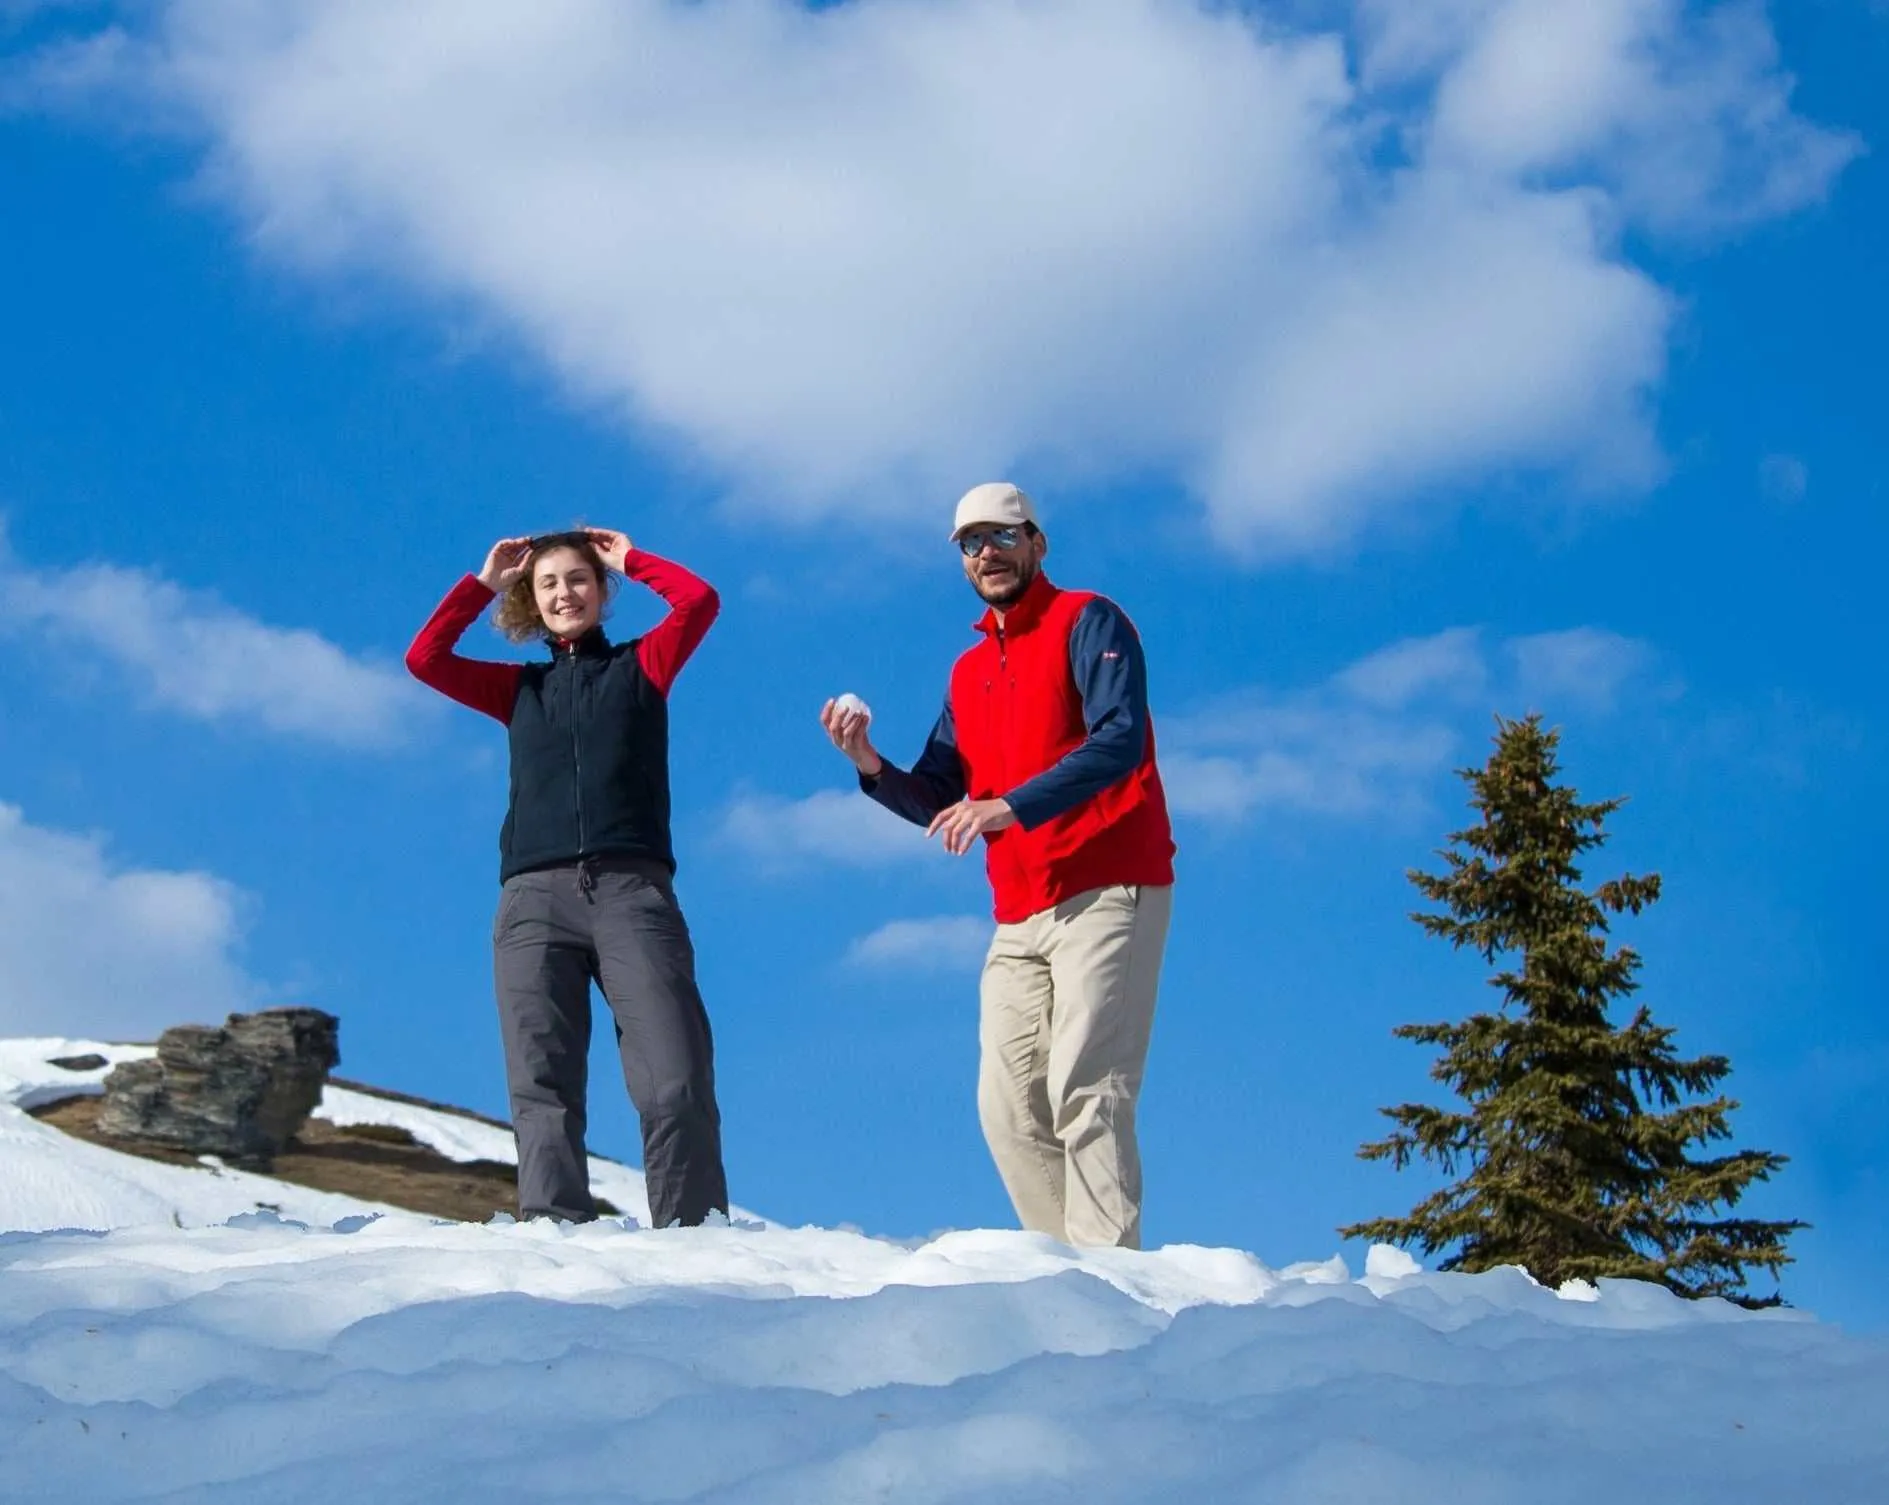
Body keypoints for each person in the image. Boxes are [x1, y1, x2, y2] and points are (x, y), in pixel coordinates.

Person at [820, 483, 1176, 1249]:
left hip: (1108, 884)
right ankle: (1073, 1275)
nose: (987, 552)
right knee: (1009, 1105)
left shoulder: (1089, 620)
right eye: (970, 543)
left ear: (1036, 541)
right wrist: (869, 762)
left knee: (1087, 1083)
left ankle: (1112, 1278)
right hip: (1018, 910)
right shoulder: (968, 670)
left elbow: (1118, 743)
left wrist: (1008, 806)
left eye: (1002, 536)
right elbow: (939, 797)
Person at [407, 527, 728, 1227]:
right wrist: (484, 583)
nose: (563, 593)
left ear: (601, 589)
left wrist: (633, 557)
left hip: (632, 894)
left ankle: (695, 1234)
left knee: (673, 1077)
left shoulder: (643, 666)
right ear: (533, 600)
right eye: (548, 583)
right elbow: (424, 658)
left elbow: (698, 602)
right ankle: (554, 1235)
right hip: (530, 903)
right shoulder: (518, 690)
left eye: (578, 579)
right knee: (540, 1088)